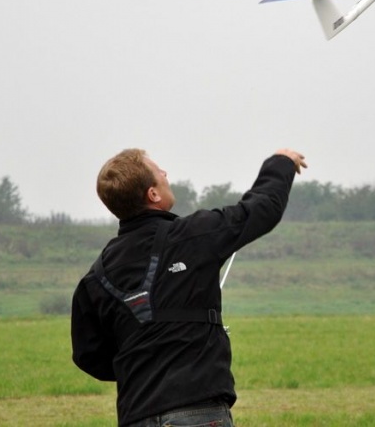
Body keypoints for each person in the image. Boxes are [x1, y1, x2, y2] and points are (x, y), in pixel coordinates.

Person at [71, 147, 306, 426]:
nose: (165, 174)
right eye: (159, 172)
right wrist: (281, 163)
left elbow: (89, 355)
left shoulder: (95, 277)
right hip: (199, 412)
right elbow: (262, 208)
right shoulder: (193, 234)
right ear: (153, 194)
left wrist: (143, 364)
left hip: (136, 415)